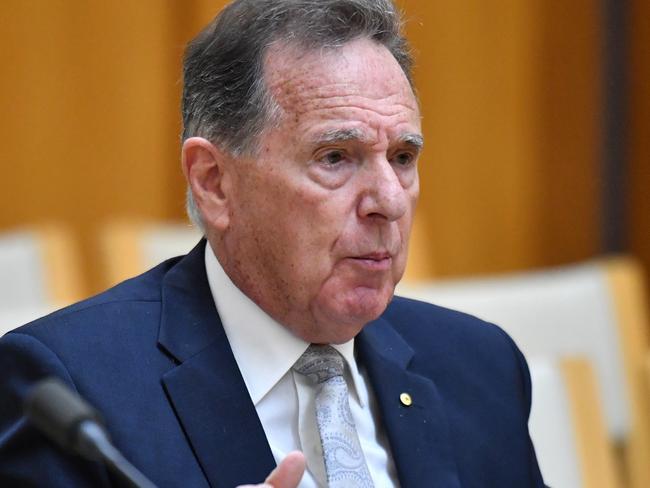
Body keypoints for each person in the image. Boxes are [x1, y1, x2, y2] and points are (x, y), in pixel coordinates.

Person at [0, 0, 546, 487]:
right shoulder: (70, 391)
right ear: (214, 181)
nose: (389, 200)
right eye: (335, 157)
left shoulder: (479, 367)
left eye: (403, 157)